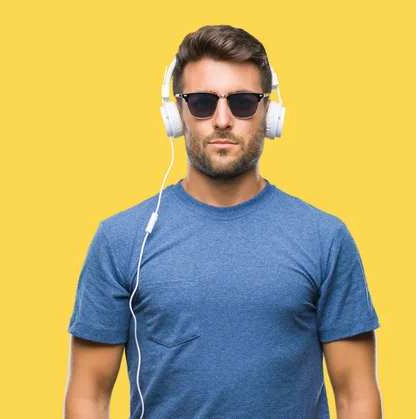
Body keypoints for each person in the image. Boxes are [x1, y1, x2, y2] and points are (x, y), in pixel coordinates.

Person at [64, 25, 382, 419]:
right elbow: (88, 396)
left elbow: (356, 395)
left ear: (269, 112)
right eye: (201, 102)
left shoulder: (325, 238)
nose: (222, 119)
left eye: (243, 101)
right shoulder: (122, 239)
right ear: (176, 113)